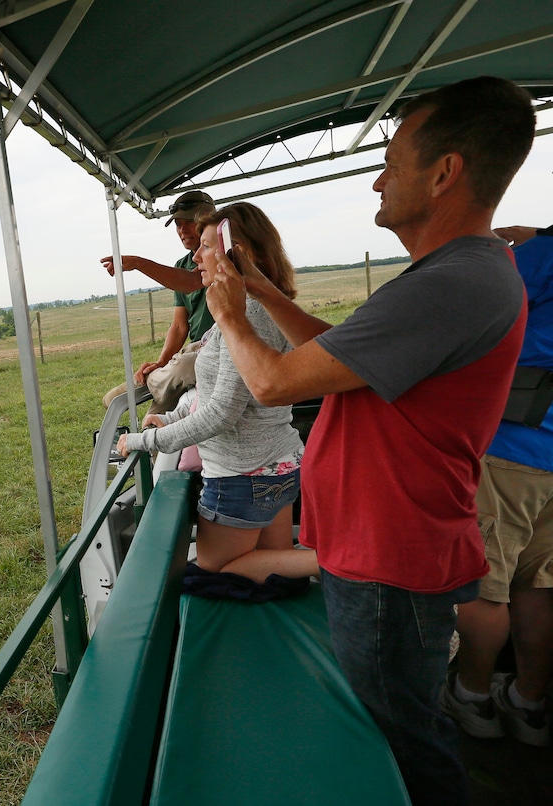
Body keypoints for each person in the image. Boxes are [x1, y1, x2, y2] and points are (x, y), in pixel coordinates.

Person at [202, 76, 534, 806]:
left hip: (391, 556)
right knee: (398, 724)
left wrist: (226, 313)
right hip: (381, 546)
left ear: (445, 172)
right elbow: (337, 363)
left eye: (391, 160)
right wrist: (261, 292)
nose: (378, 181)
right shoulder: (459, 275)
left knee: (396, 737)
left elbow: (276, 383)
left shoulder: (453, 282)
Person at [115, 203, 318, 585]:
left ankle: (341, 562)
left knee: (210, 576)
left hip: (242, 475)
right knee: (273, 571)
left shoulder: (249, 314)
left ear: (239, 253)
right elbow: (216, 391)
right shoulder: (250, 308)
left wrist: (145, 440)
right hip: (278, 465)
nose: (195, 256)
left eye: (207, 246)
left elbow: (222, 413)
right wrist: (172, 417)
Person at [441, 222, 553, 748]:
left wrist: (516, 248)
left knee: (484, 583)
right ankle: (529, 702)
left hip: (513, 448)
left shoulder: (542, 256)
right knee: (539, 584)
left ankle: (473, 695)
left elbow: (479, 311)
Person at [100, 190, 215, 410]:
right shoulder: (182, 264)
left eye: (188, 223)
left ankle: (151, 384)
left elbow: (191, 282)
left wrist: (138, 263)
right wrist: (162, 361)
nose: (182, 231)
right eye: (178, 225)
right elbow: (180, 325)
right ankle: (147, 435)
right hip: (194, 348)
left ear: (207, 221)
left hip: (215, 348)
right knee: (147, 408)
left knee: (178, 370)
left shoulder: (224, 253)